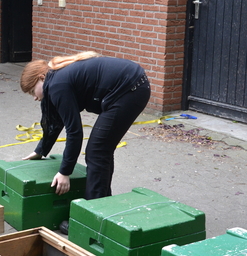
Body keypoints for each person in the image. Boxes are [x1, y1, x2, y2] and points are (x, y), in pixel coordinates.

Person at [20, 51, 151, 228]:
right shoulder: (55, 79)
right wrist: (40, 150)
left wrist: (65, 172)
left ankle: (91, 221)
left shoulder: (58, 84)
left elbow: (74, 131)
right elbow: (56, 121)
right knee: (101, 151)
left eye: (31, 91)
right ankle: (104, 206)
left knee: (97, 152)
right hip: (130, 86)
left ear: (41, 77)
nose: (35, 97)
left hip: (130, 89)